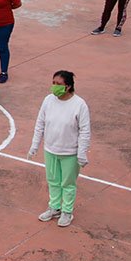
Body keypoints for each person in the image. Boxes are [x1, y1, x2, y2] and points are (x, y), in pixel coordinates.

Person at [29, 70, 91, 228]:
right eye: (53, 83)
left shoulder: (79, 105)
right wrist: (35, 146)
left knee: (68, 183)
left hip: (70, 152)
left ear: (68, 86)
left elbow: (85, 131)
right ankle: (54, 207)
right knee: (53, 181)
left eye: (58, 84)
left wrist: (81, 154)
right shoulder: (48, 100)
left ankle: (67, 211)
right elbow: (40, 124)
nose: (54, 87)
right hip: (50, 149)